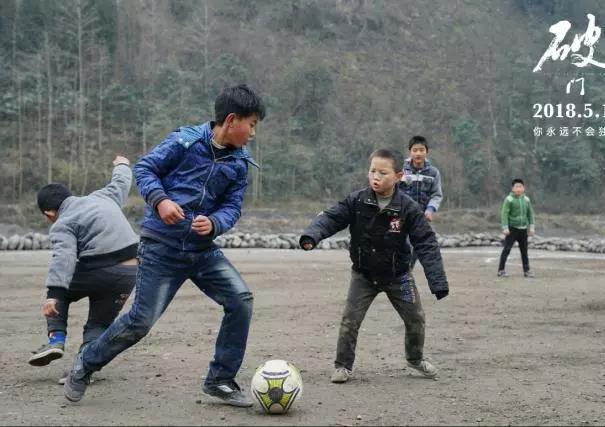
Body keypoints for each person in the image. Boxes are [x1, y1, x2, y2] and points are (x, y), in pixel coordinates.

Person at [63, 85, 266, 407]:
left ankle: (220, 381)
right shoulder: (184, 142)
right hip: (162, 248)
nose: (253, 133)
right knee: (140, 322)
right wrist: (161, 201)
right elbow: (145, 169)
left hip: (202, 251)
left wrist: (215, 223)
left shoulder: (240, 163)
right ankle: (86, 363)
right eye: (252, 124)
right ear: (231, 120)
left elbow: (232, 207)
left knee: (241, 300)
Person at [299, 148, 449, 384]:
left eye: (383, 172)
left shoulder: (408, 208)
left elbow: (426, 243)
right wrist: (311, 236)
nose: (375, 177)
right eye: (372, 171)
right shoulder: (357, 200)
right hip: (364, 275)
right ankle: (342, 366)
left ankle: (415, 358)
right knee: (350, 321)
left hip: (398, 276)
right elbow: (331, 217)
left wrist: (438, 282)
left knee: (416, 319)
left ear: (399, 176)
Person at [30, 156, 138, 373]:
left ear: (49, 213)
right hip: (130, 272)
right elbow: (121, 182)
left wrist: (53, 294)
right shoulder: (104, 197)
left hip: (98, 268)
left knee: (61, 295)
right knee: (99, 323)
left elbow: (64, 258)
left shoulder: (63, 223)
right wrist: (122, 165)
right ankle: (84, 367)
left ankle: (56, 340)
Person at [399, 135, 443, 223]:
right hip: (401, 217)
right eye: (415, 150)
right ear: (410, 152)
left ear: (427, 151)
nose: (418, 153)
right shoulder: (400, 170)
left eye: (421, 150)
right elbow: (393, 191)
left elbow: (436, 195)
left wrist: (430, 209)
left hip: (422, 217)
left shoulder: (433, 173)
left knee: (424, 236)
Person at [498, 178, 535, 278]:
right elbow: (504, 214)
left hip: (523, 229)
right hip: (512, 229)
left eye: (520, 187)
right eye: (516, 187)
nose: (519, 189)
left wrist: (531, 227)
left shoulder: (526, 200)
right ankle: (501, 270)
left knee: (524, 251)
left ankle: (526, 271)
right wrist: (505, 227)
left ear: (524, 188)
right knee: (507, 249)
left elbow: (530, 214)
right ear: (512, 188)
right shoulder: (509, 199)